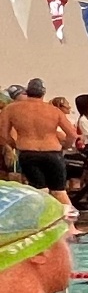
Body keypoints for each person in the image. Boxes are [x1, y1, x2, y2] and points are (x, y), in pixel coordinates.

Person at [0, 79, 75, 209]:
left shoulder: (11, 109)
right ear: (43, 93)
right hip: (53, 153)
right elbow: (72, 134)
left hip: (28, 153)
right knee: (59, 191)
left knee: (40, 190)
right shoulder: (53, 110)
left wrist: (15, 145)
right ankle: (71, 220)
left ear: (27, 91)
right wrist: (65, 146)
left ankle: (44, 218)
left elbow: (3, 134)